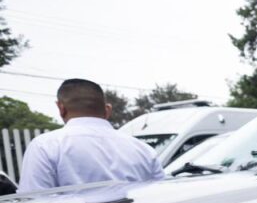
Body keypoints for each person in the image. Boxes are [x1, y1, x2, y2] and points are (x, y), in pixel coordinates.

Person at [17, 78, 164, 193]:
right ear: (107, 110)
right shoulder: (143, 149)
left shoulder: (45, 146)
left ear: (61, 108)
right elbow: (161, 194)